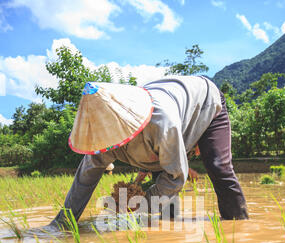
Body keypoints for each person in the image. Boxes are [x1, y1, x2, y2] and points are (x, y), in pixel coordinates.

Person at [49, 75, 248, 230]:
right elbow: (84, 181)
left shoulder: (162, 124)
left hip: (205, 102)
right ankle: (169, 225)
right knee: (159, 173)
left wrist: (139, 203)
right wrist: (62, 224)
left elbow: (176, 176)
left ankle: (239, 225)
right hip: (172, 115)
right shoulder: (102, 141)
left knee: (218, 166)